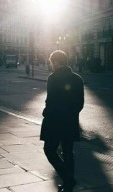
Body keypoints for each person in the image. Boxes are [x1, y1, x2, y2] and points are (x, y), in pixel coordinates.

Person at [40, 50, 84, 192]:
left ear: (57, 62)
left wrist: (46, 112)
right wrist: (71, 114)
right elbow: (80, 104)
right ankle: (68, 183)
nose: (51, 65)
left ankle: (68, 179)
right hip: (70, 121)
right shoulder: (77, 78)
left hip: (54, 121)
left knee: (49, 150)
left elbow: (51, 100)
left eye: (52, 63)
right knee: (68, 152)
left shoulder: (53, 77)